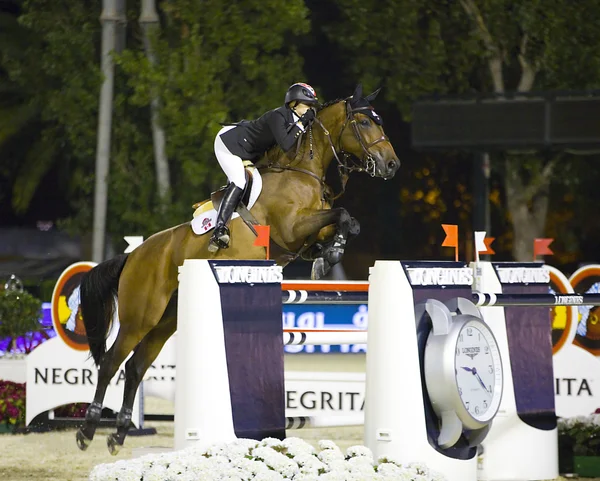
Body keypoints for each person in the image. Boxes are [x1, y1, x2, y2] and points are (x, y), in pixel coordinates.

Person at [208, 82, 319, 252]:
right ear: (294, 103)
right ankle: (219, 229)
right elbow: (287, 145)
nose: (310, 109)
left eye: (312, 105)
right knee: (239, 181)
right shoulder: (278, 116)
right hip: (230, 144)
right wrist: (302, 124)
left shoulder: (295, 119)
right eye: (307, 104)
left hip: (250, 151)